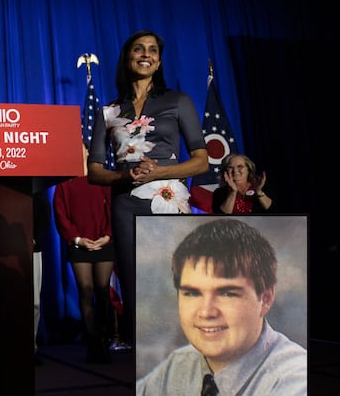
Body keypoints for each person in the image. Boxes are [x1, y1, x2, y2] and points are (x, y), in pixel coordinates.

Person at [87, 29, 208, 348]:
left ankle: (189, 349)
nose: (146, 54)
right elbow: (94, 172)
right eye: (139, 49)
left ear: (159, 61)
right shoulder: (108, 112)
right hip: (126, 204)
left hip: (168, 199)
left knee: (176, 275)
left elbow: (201, 162)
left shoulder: (178, 101)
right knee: (135, 280)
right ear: (127, 57)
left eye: (153, 50)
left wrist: (161, 172)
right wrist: (125, 177)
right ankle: (149, 357)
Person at [136, 218, 307, 395]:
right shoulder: (177, 367)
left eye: (227, 293)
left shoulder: (297, 383)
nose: (206, 312)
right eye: (192, 293)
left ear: (265, 299)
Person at [53, 141, 115, 363]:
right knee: (86, 291)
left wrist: (107, 236)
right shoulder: (64, 183)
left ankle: (106, 339)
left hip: (104, 243)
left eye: (80, 147)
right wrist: (78, 239)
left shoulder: (101, 179)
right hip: (80, 246)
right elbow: (60, 214)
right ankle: (94, 342)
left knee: (102, 290)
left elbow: (113, 209)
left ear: (89, 151)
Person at [32, 188, 51, 366]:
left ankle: (32, 347)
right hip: (4, 244)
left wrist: (36, 238)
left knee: (34, 303)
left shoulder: (36, 186)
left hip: (32, 247)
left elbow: (44, 210)